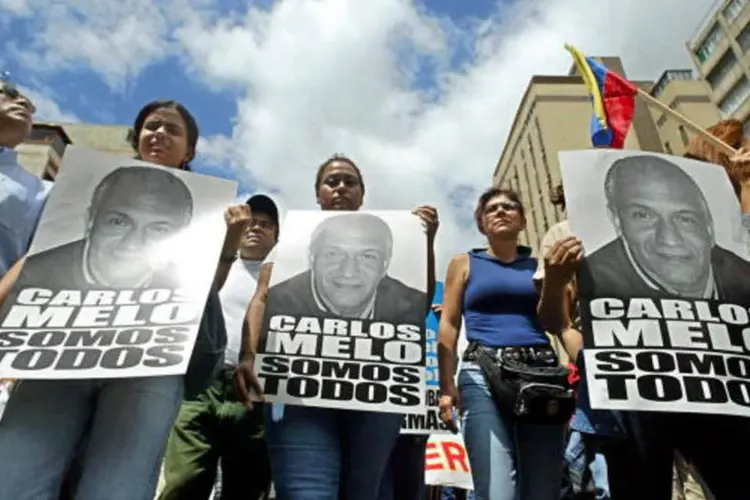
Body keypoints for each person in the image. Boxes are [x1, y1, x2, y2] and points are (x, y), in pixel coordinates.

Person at [0, 100, 250, 500]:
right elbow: (32, 265)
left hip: (149, 368)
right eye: (152, 126)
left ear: (190, 151)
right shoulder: (80, 192)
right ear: (93, 217)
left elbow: (205, 293)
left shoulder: (209, 214)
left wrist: (226, 247)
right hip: (57, 359)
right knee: (18, 473)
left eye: (172, 130)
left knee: (119, 484)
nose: (160, 134)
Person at [235, 154, 438, 499]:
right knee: (306, 491)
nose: (341, 187)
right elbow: (261, 299)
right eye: (332, 181)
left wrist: (425, 242)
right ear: (318, 194)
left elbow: (417, 304)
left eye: (349, 181)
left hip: (375, 397)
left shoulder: (399, 259)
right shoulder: (290, 249)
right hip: (297, 393)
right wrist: (248, 353)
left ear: (362, 193)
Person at [436, 187, 566, 500]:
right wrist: (445, 387)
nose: (501, 211)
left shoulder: (542, 266)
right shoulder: (463, 263)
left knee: (543, 489)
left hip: (541, 373)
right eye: (491, 208)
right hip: (482, 372)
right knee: (496, 490)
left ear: (522, 220)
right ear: (481, 224)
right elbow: (449, 324)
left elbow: (561, 323)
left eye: (510, 206)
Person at [158, 194, 280, 500]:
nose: (256, 228)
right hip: (199, 385)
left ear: (277, 236)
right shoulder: (210, 265)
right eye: (251, 222)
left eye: (265, 225)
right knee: (184, 481)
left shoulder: (284, 278)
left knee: (247, 487)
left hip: (254, 391)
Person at [577, 154, 750, 301]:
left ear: (710, 228)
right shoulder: (596, 283)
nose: (670, 239)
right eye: (643, 216)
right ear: (616, 220)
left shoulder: (742, 276)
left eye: (685, 219)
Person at [9, 166, 192, 291]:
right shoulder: (33, 276)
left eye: (159, 230)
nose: (132, 243)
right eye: (118, 222)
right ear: (90, 220)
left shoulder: (187, 289)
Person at [265, 212, 426, 325]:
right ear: (312, 258)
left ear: (385, 266)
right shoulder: (275, 304)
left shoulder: (413, 308)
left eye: (367, 256)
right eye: (333, 254)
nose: (349, 272)